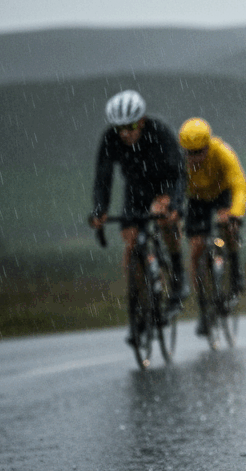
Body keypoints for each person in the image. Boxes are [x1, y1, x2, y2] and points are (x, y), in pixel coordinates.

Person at [89, 90, 188, 344]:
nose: (126, 133)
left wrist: (173, 203)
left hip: (164, 185)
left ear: (142, 120)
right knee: (131, 243)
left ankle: (178, 279)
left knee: (166, 221)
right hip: (136, 191)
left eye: (131, 126)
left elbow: (179, 172)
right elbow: (103, 178)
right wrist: (100, 209)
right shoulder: (111, 138)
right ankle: (139, 305)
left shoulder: (160, 131)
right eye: (120, 128)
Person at [178, 117, 246, 335]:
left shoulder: (223, 153)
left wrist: (236, 214)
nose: (194, 158)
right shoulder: (180, 162)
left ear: (208, 145)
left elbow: (239, 184)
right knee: (196, 249)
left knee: (228, 226)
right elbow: (172, 188)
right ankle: (204, 310)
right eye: (189, 153)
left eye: (199, 152)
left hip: (222, 194)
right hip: (197, 200)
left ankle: (235, 271)